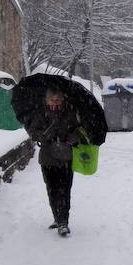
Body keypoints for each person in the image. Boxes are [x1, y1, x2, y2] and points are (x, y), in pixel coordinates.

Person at [28, 88, 83, 237]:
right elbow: (33, 131)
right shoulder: (41, 113)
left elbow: (80, 130)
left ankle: (63, 222)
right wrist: (43, 135)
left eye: (57, 100)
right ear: (46, 100)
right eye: (51, 100)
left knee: (64, 189)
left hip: (66, 157)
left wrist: (73, 137)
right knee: (52, 190)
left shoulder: (70, 113)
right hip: (48, 158)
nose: (55, 102)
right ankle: (57, 217)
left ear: (63, 100)